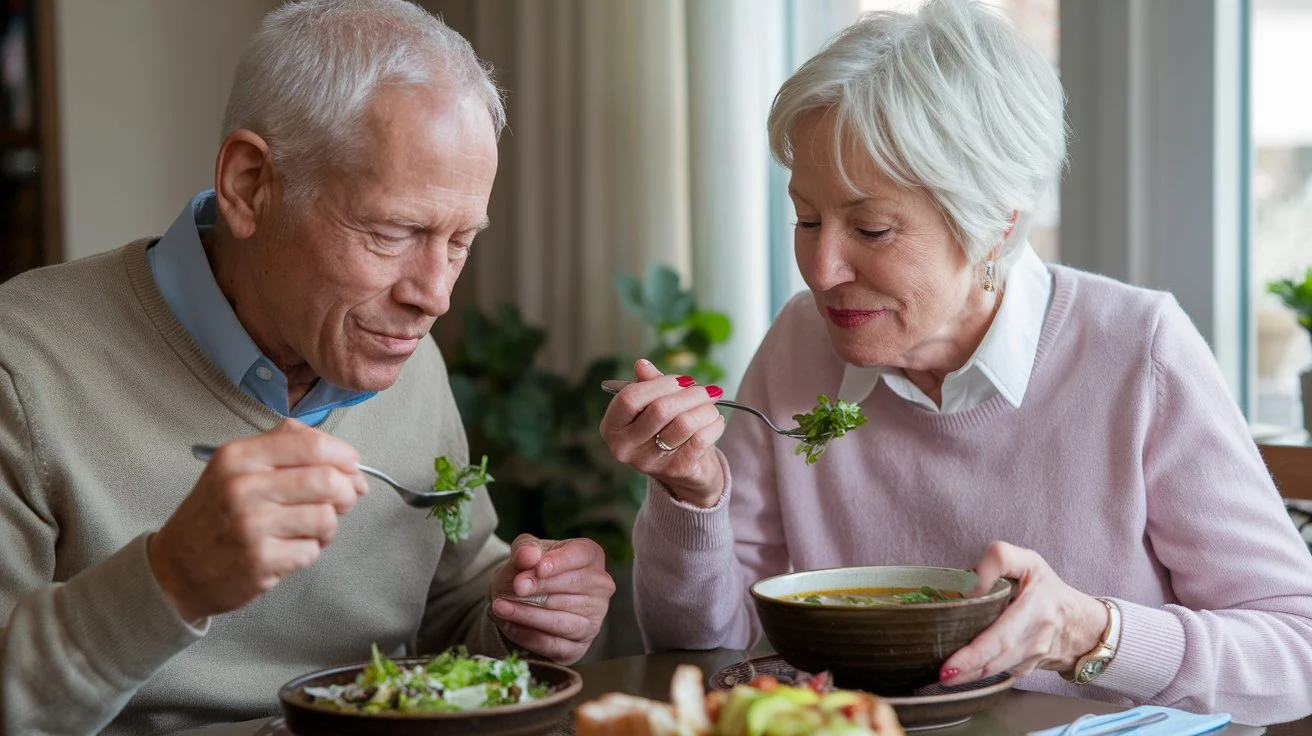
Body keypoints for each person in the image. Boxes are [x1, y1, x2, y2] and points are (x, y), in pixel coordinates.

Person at [600, 0, 1312, 726]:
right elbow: (701, 653)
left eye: (871, 227)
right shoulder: (798, 344)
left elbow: (1299, 651)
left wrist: (1090, 633)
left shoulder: (1137, 351)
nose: (821, 267)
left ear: (995, 223)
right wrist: (692, 496)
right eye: (806, 219)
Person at [0, 1, 614, 734]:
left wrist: (522, 616)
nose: (435, 296)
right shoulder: (22, 365)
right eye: (393, 232)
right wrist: (170, 580)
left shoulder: (400, 351)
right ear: (249, 185)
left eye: (459, 241)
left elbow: (451, 611)